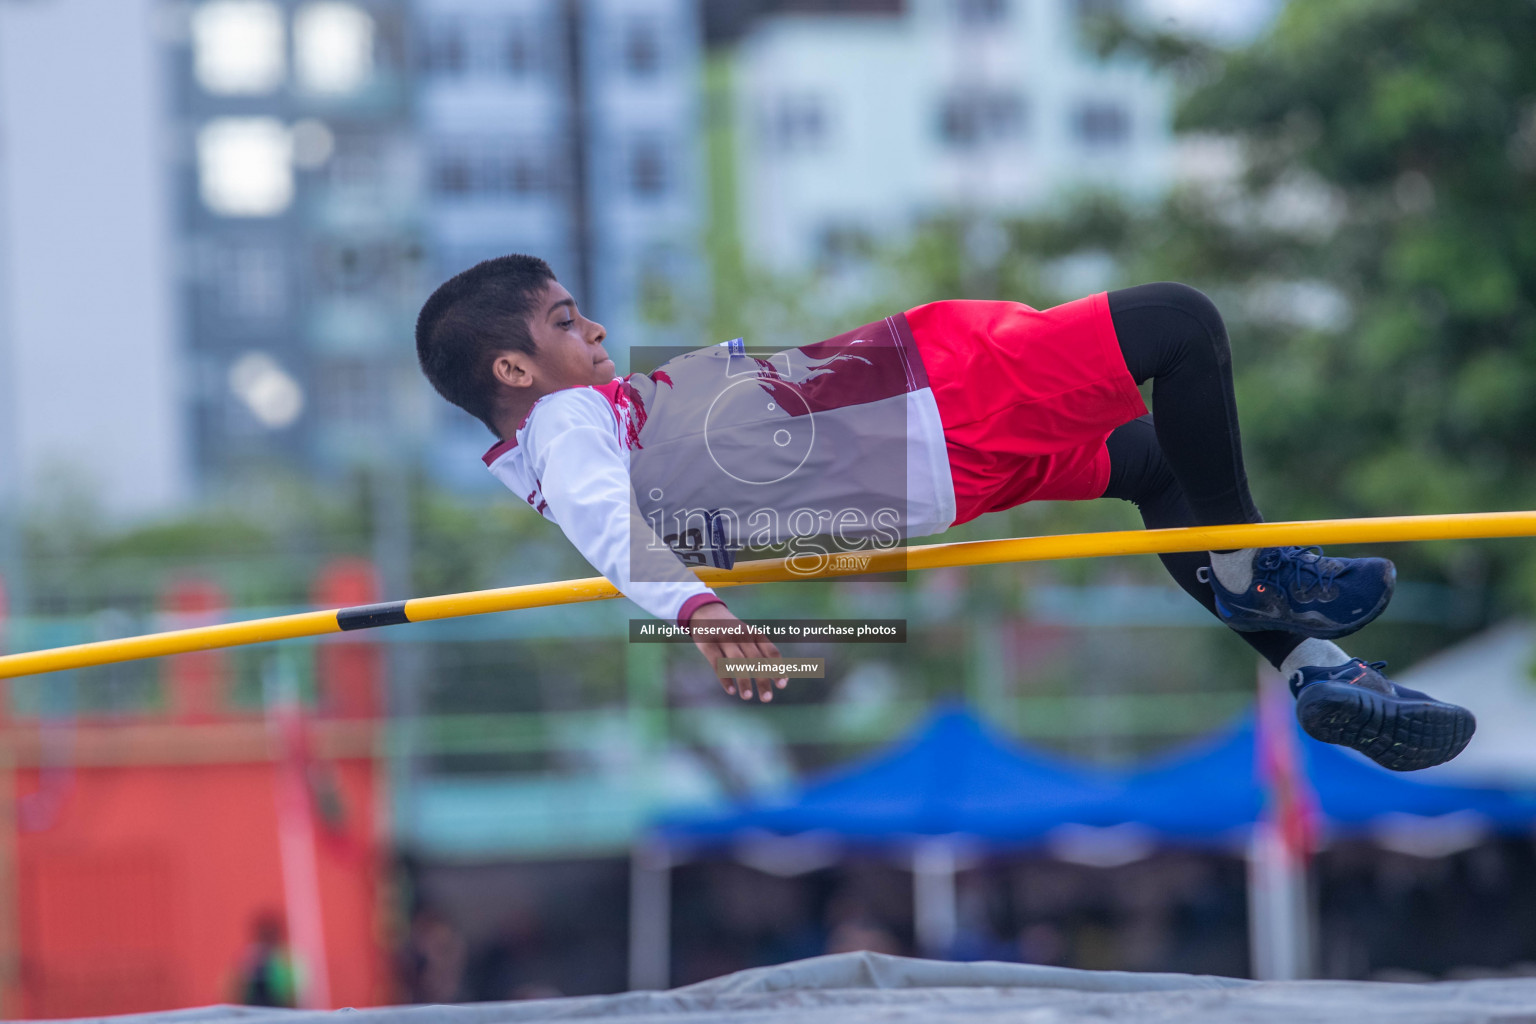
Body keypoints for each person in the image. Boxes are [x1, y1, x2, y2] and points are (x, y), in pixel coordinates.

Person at [414, 255, 1475, 772]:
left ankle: (1316, 673)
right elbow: (608, 527)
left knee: (1152, 467)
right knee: (1181, 324)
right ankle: (1257, 565)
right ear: (514, 366)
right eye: (563, 320)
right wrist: (697, 615)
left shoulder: (563, 432)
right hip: (930, 407)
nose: (593, 326)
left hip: (913, 446)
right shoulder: (561, 430)